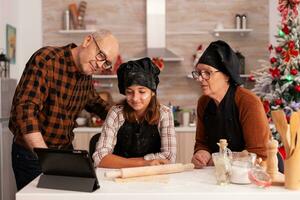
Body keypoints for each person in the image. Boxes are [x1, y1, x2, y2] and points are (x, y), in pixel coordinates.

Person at [9, 29, 119, 190]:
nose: (100, 65)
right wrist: (46, 158)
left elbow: (97, 104)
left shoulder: (85, 76)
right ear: (88, 41)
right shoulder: (47, 59)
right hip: (32, 155)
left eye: (106, 63)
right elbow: (26, 110)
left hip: (64, 153)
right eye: (101, 55)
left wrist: (131, 115)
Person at [191, 40, 270, 169]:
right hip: (221, 174)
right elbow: (202, 142)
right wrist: (202, 153)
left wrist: (218, 160)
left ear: (227, 75)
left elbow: (259, 154)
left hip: (253, 175)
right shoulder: (203, 103)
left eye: (207, 73)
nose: (200, 78)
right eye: (199, 73)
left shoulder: (248, 102)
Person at [93, 57, 176, 168]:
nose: (135, 98)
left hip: (153, 177)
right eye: (129, 92)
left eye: (142, 91)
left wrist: (120, 161)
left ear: (152, 92)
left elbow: (169, 157)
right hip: (119, 174)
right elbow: (100, 157)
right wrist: (145, 163)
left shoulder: (164, 113)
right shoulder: (116, 113)